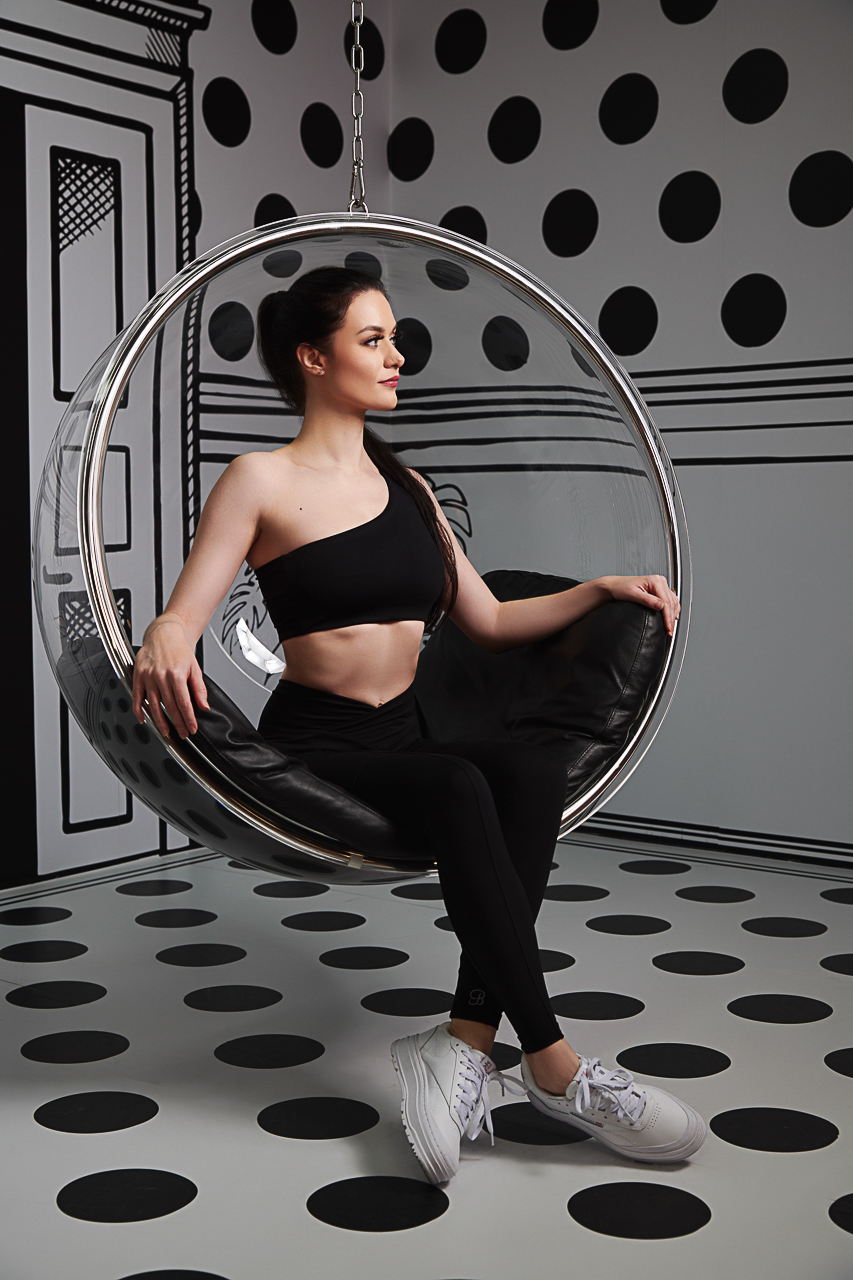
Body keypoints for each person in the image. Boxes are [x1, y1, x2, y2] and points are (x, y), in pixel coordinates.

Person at [132, 265, 706, 1183]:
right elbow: (186, 611)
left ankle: (464, 1039)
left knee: (523, 769)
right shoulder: (260, 479)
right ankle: (552, 1063)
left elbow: (485, 619)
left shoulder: (413, 488)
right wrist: (163, 632)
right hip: (317, 746)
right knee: (458, 782)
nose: (397, 356)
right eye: (372, 340)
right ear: (312, 358)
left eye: (395, 338)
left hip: (405, 737)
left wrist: (598, 588)